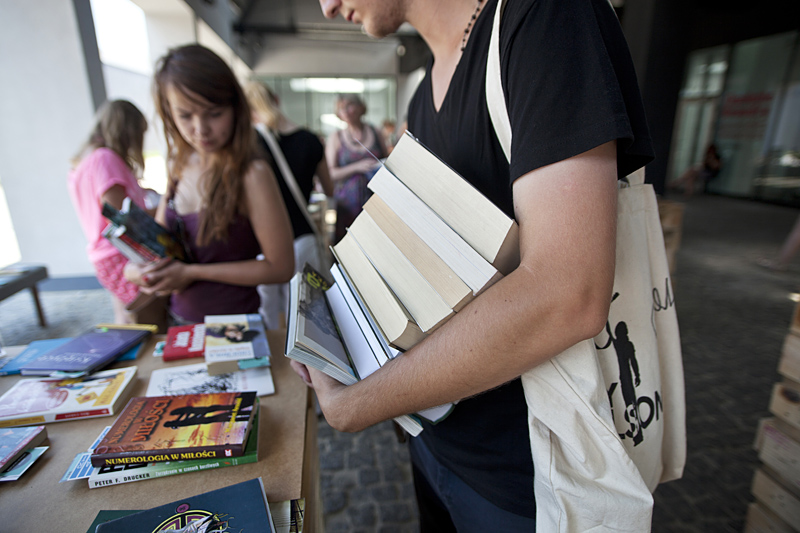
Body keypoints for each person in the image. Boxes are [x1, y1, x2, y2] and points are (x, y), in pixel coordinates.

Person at [299, 0, 655, 529]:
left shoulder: (543, 20)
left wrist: (358, 404)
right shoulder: (424, 92)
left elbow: (568, 292)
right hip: (436, 441)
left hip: (532, 471)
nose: (326, 7)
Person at [128, 44, 294, 325]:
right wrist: (136, 270)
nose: (201, 129)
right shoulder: (177, 166)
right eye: (185, 115)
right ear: (169, 114)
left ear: (234, 107)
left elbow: (280, 267)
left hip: (235, 328)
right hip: (178, 322)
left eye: (214, 113)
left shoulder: (252, 173)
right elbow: (159, 245)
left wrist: (192, 273)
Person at [67, 99, 166, 330]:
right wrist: (166, 209)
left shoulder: (83, 161)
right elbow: (123, 217)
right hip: (120, 254)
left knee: (125, 319)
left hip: (104, 254)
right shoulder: (105, 158)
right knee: (144, 322)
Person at [244, 80, 335, 330]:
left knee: (265, 317)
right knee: (307, 317)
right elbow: (328, 189)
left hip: (262, 244)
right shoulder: (311, 140)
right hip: (301, 237)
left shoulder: (248, 146)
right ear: (276, 100)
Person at [326, 94, 388, 239]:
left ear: (361, 107)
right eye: (341, 109)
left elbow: (388, 161)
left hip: (376, 200)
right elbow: (330, 173)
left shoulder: (375, 131)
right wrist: (357, 167)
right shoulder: (337, 137)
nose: (345, 112)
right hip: (347, 205)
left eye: (349, 106)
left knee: (377, 241)